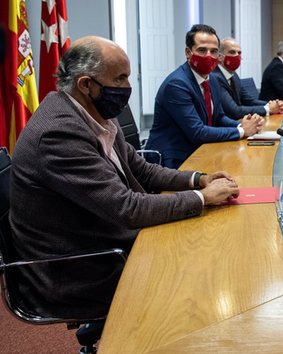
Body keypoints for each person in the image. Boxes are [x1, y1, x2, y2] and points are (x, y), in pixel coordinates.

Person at [9, 36, 240, 319]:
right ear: (86, 85)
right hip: (79, 269)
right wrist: (203, 198)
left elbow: (141, 169)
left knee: (203, 246)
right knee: (196, 271)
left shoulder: (95, 113)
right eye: (120, 79)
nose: (128, 88)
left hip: (104, 239)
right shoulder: (58, 134)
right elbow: (127, 209)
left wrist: (198, 180)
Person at [146, 24, 264, 169]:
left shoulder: (212, 79)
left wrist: (243, 125)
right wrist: (242, 131)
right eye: (202, 50)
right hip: (173, 161)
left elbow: (219, 117)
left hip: (202, 151)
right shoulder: (177, 84)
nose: (209, 56)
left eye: (214, 51)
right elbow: (197, 132)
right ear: (188, 52)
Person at [211, 38, 283, 118]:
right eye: (232, 52)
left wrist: (271, 104)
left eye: (239, 53)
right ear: (220, 57)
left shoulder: (234, 75)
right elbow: (234, 111)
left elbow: (248, 101)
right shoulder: (215, 77)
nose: (237, 55)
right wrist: (267, 109)